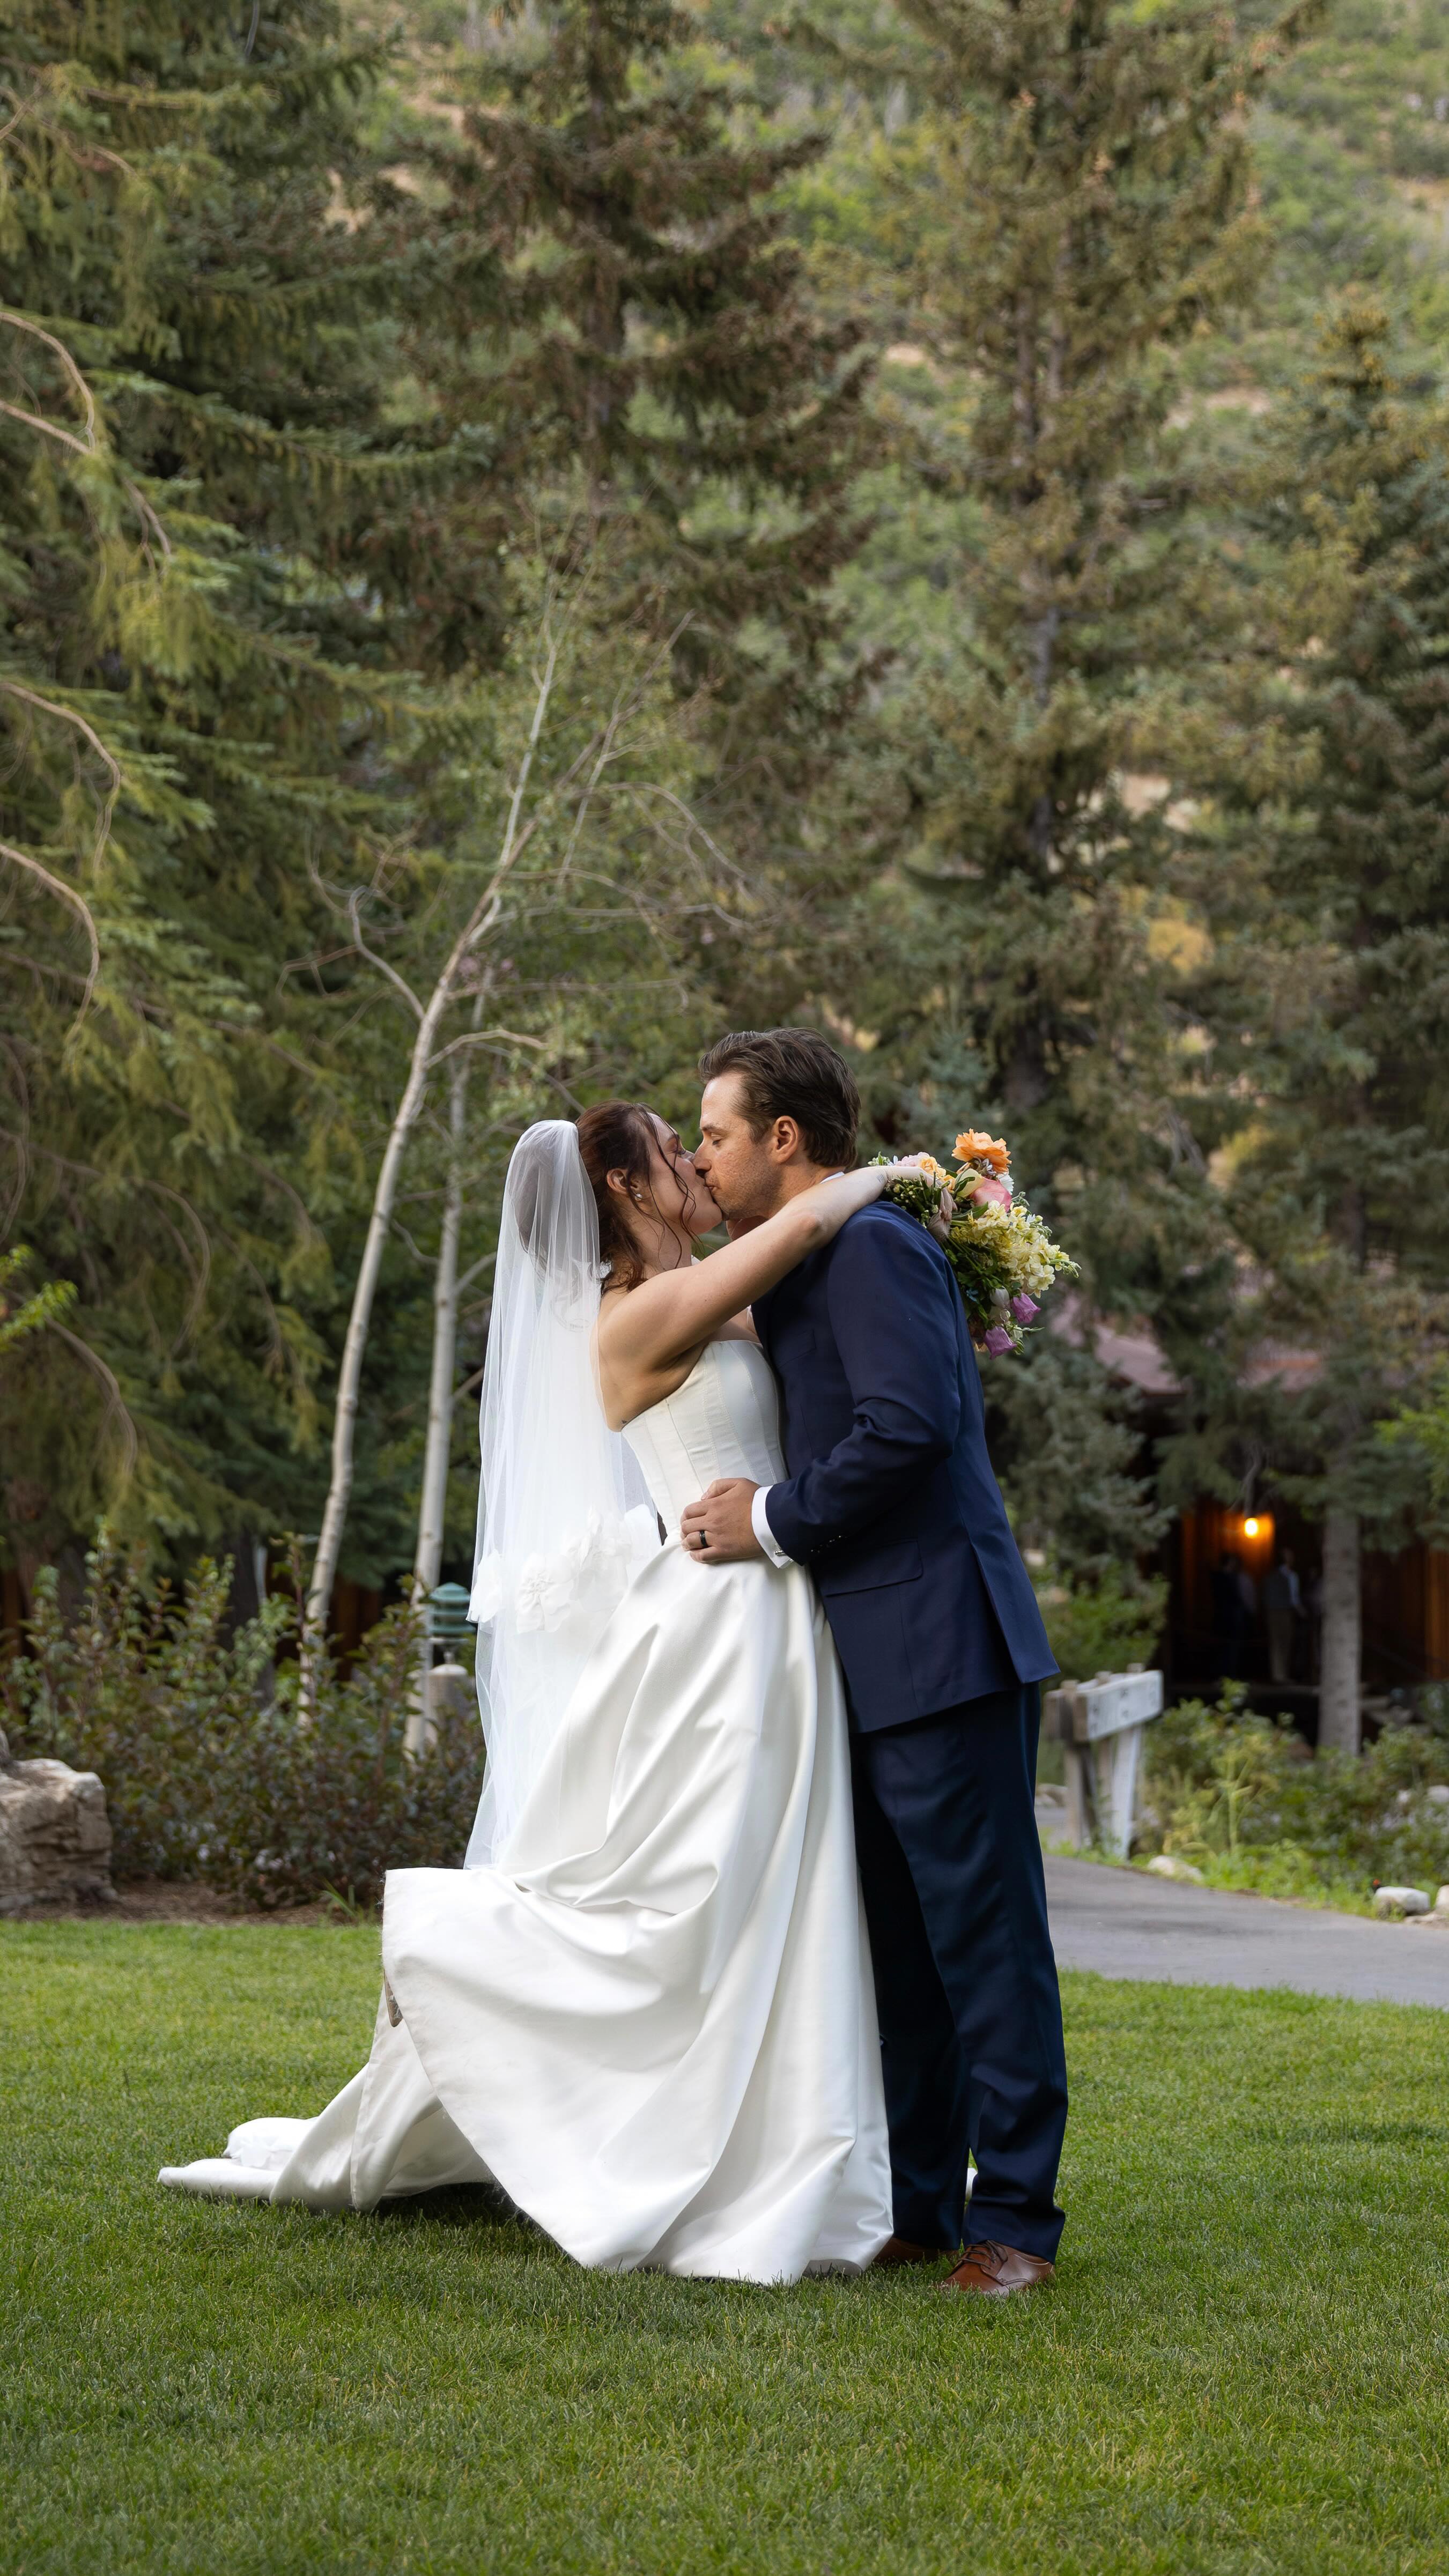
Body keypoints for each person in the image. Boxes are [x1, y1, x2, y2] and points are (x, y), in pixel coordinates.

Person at [160, 1107, 922, 2283]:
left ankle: (793, 2135)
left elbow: (812, 1313)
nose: (691, 1162)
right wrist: (919, 1177)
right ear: (620, 1184)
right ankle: (482, 1978)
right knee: (699, 1890)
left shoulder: (706, 1292)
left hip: (768, 1604)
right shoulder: (640, 1315)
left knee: (772, 1888)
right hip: (718, 1625)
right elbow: (813, 1215)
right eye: (673, 1150)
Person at [683, 1028, 1068, 2300]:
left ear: (783, 1139)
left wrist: (771, 1518)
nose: (703, 1154)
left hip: (944, 1644)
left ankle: (1014, 2223)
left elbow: (913, 1424)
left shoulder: (873, 1247)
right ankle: (919, 2205)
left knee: (985, 1941)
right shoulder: (808, 1262)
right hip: (870, 1655)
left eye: (718, 1133)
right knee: (901, 1949)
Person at [1261, 1548, 1301, 1684]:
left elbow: (1294, 1598)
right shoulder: (1275, 1576)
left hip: (1284, 1611)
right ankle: (1278, 1675)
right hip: (1277, 1611)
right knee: (1278, 1643)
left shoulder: (1292, 1576)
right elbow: (1294, 1599)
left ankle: (1283, 1674)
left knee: (1285, 1643)